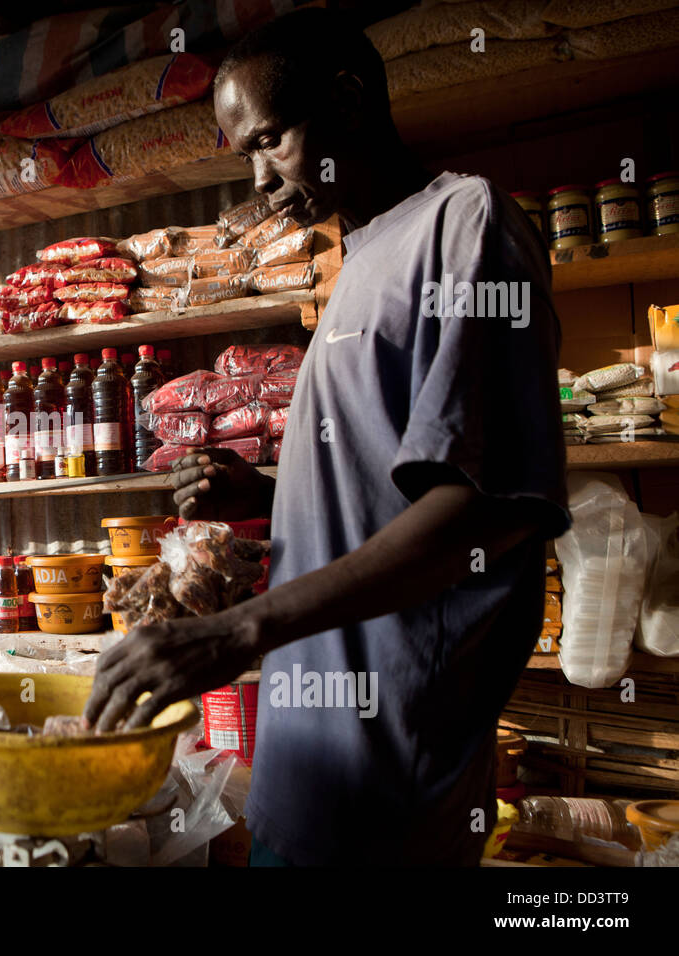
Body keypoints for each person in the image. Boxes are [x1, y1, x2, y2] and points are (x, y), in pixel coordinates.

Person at [84, 8, 568, 866]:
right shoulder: (357, 261)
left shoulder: (464, 227)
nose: (261, 180)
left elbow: (482, 510)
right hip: (305, 767)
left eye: (270, 140)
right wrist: (269, 496)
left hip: (389, 783)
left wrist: (233, 635)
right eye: (246, 157)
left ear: (346, 101)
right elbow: (392, 488)